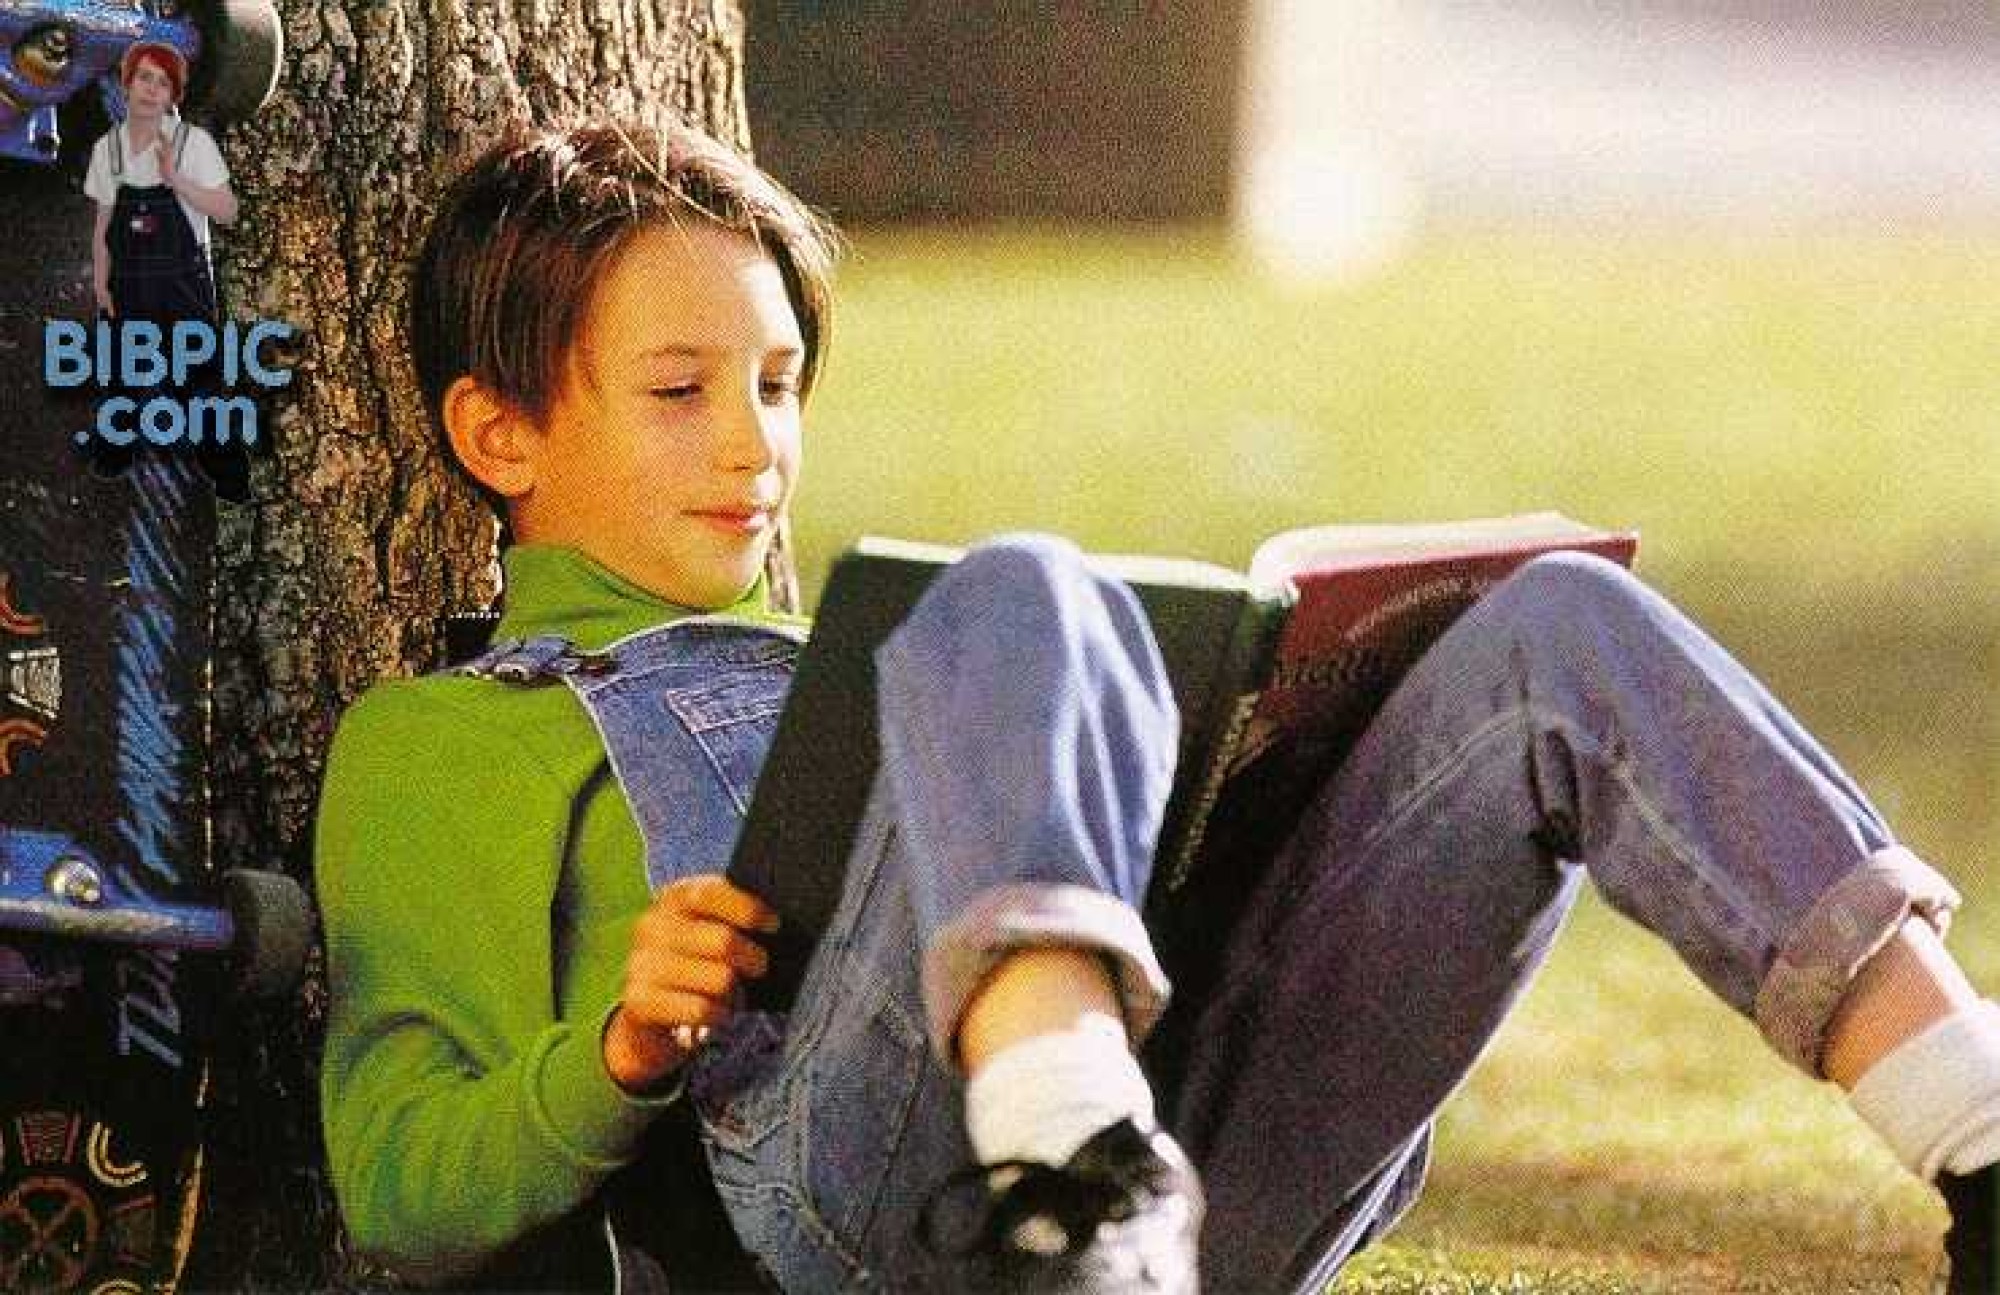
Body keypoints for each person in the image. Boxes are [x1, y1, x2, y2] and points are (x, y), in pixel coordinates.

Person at [315, 118, 2000, 1294]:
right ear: (499, 434)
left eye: (776, 383)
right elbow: (395, 1185)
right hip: (839, 1225)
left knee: (1560, 625)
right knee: (1021, 589)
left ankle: (1978, 1133)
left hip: (1197, 1194)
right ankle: (1068, 1168)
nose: (757, 445)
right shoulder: (447, 740)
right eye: (681, 392)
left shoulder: (878, 659)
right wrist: (614, 1049)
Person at [82, 41, 248, 497]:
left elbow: (224, 208)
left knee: (197, 375)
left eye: (162, 82)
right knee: (118, 367)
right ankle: (114, 451)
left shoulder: (194, 145)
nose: (151, 90)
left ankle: (227, 470)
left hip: (180, 276)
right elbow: (103, 219)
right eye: (143, 79)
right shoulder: (110, 149)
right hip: (128, 272)